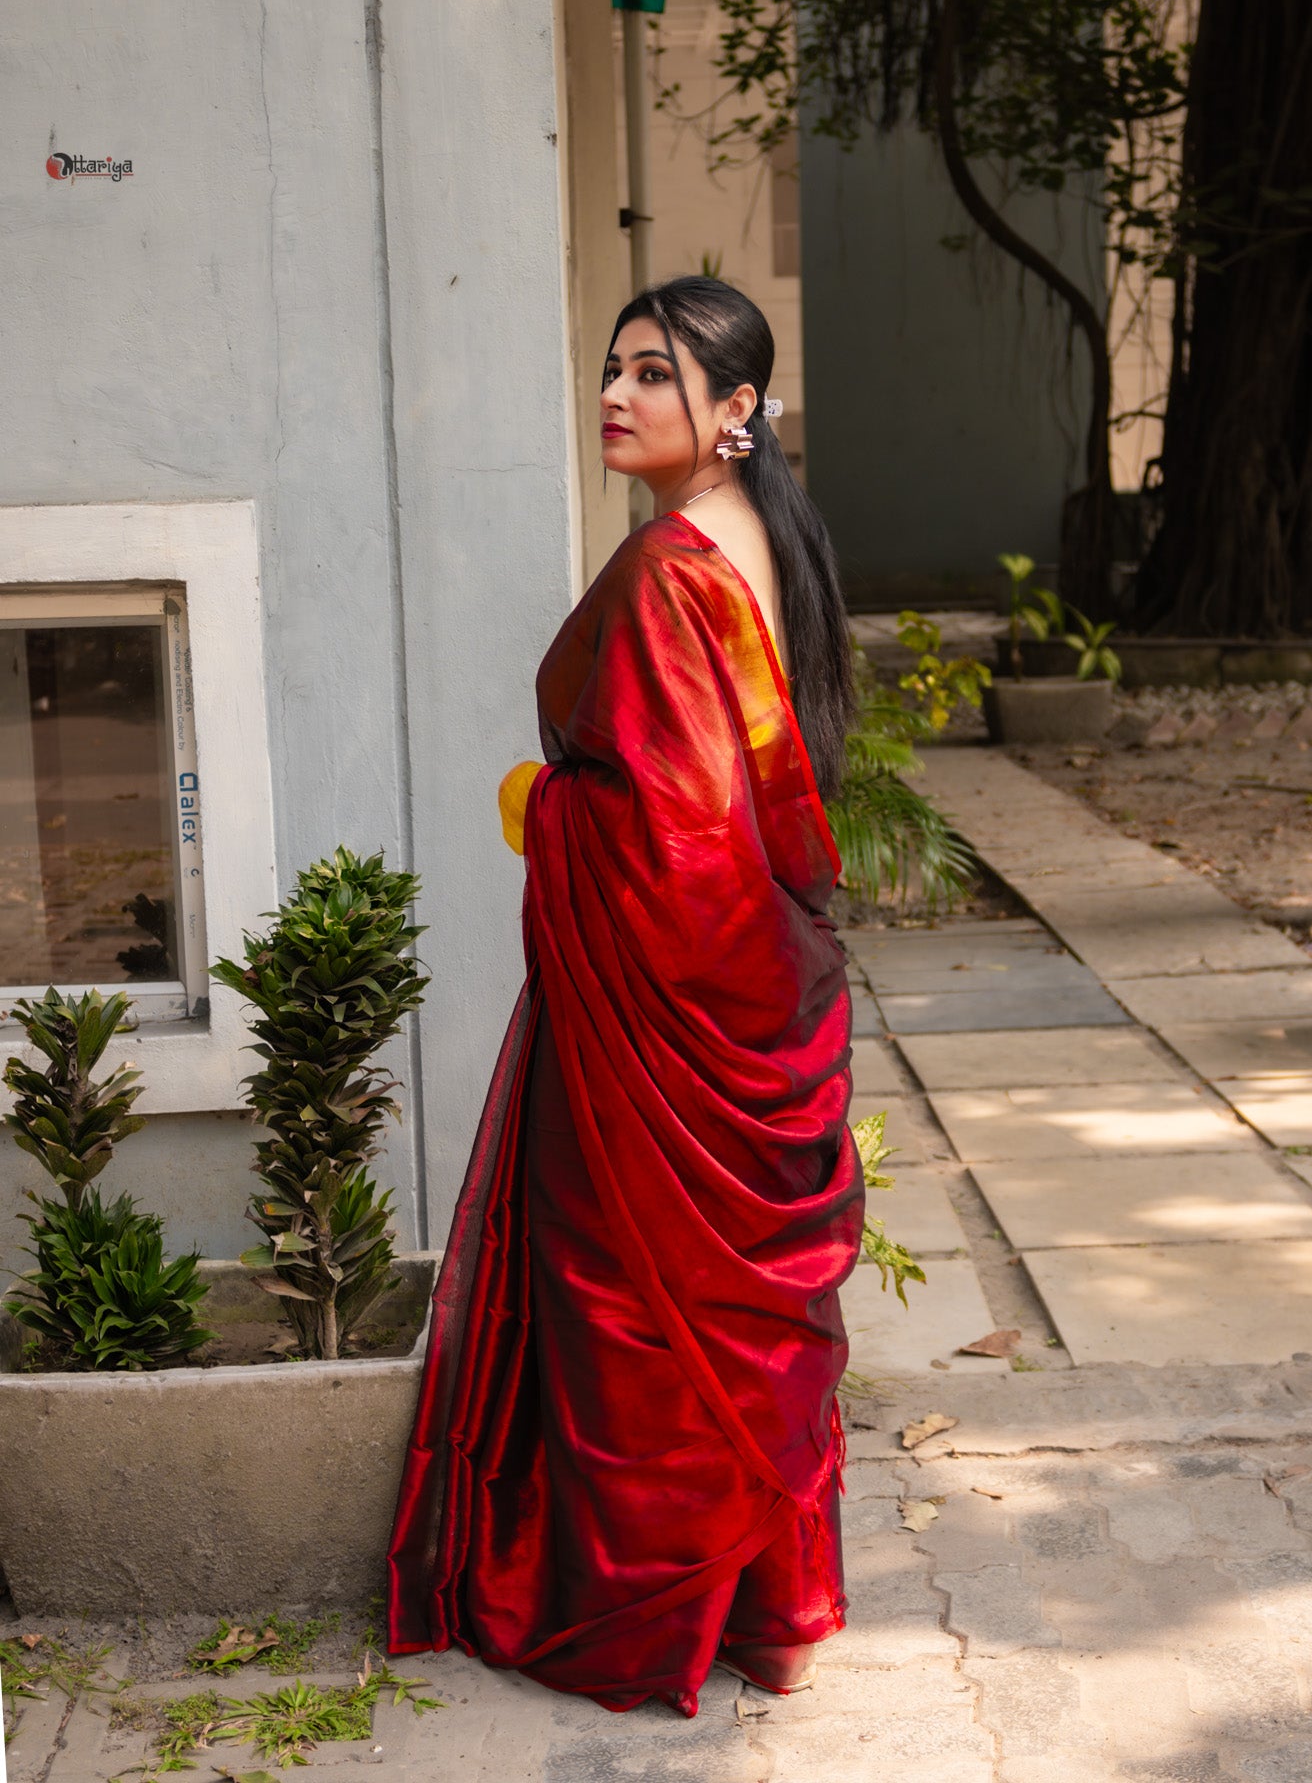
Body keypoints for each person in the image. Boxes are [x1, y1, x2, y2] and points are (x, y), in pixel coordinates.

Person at [386, 275, 864, 1717]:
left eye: (656, 375)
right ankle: (753, 1598)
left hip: (665, 1007)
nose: (617, 392)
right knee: (712, 1310)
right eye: (614, 366)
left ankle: (635, 1611)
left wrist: (550, 806)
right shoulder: (755, 542)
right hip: (738, 984)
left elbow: (675, 840)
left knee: (628, 1294)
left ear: (734, 414)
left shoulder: (674, 567)